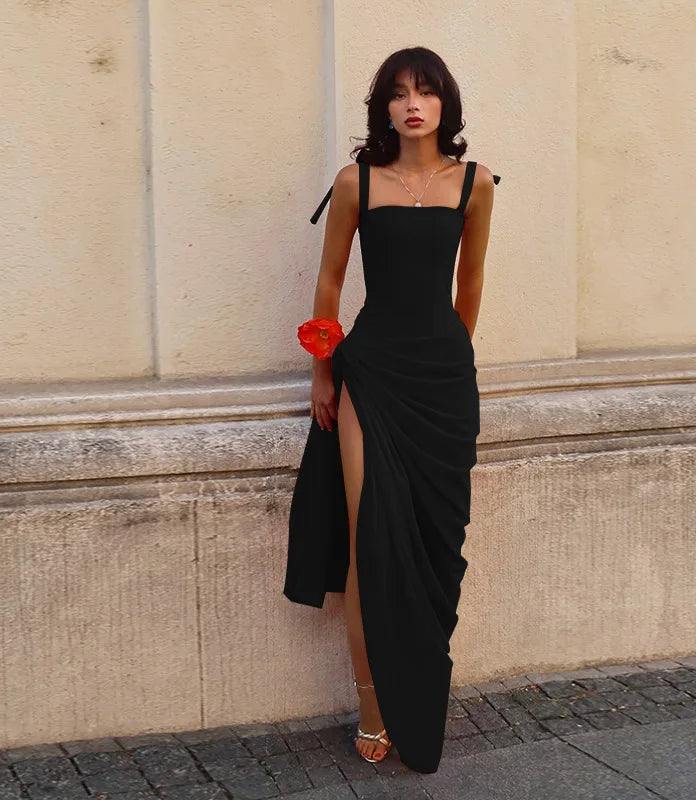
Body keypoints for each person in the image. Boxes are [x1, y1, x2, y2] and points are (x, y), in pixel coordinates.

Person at [284, 45, 499, 774]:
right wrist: (323, 374)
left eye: (427, 92)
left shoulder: (477, 183)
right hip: (368, 378)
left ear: (446, 105)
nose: (413, 103)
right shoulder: (356, 183)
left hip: (440, 384)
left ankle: (421, 685)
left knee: (436, 545)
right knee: (369, 540)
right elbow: (329, 288)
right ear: (383, 108)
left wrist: (449, 367)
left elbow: (469, 290)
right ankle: (373, 706)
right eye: (399, 93)